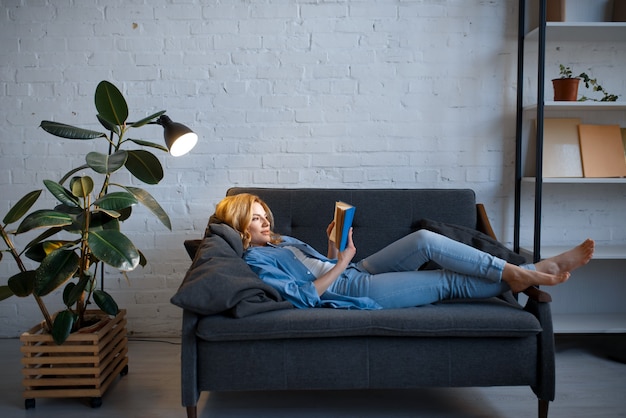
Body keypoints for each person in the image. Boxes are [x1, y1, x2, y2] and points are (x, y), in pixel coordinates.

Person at [214, 193, 595, 310]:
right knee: (444, 281)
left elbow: (323, 264)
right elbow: (305, 295)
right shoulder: (254, 261)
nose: (266, 223)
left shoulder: (282, 242)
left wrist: (335, 243)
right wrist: (343, 262)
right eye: (256, 219)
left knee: (425, 241)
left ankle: (524, 271)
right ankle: (527, 271)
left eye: (265, 216)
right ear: (238, 224)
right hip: (353, 288)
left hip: (356, 268)